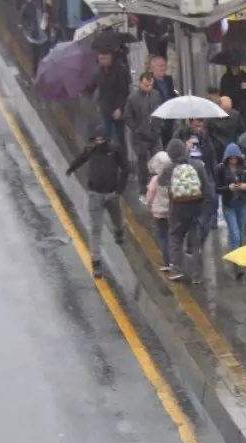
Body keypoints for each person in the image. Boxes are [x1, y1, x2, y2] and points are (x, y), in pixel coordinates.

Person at [65, 125, 127, 279]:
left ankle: (119, 231)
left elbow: (125, 168)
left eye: (101, 139)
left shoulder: (115, 151)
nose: (99, 142)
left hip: (112, 194)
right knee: (95, 230)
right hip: (95, 195)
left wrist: (119, 190)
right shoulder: (90, 150)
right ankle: (96, 261)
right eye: (97, 139)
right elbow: (81, 159)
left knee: (117, 219)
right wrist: (71, 169)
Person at [158, 139, 213, 284]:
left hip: (176, 210)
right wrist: (205, 211)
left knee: (175, 237)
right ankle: (197, 275)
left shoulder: (169, 168)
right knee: (195, 243)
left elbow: (160, 182)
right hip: (196, 209)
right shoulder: (197, 166)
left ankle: (177, 269)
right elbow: (208, 190)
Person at [123, 72, 162, 199]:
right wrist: (137, 128)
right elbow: (127, 117)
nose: (148, 87)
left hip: (155, 134)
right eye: (146, 85)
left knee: (158, 161)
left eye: (150, 85)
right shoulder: (133, 98)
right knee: (142, 163)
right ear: (140, 83)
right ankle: (142, 190)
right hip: (140, 137)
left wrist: (159, 125)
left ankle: (157, 187)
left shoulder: (156, 95)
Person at [214, 143, 246, 257]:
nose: (233, 161)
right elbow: (216, 188)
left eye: (235, 158)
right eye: (231, 158)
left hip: (243, 203)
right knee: (235, 233)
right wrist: (228, 188)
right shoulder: (220, 169)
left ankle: (238, 256)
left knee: (240, 234)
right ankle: (236, 258)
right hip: (229, 205)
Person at [92, 51, 130, 148]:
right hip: (105, 108)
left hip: (117, 108)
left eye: (104, 58)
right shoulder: (98, 71)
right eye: (100, 58)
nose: (102, 61)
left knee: (120, 136)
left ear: (110, 56)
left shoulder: (120, 69)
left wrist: (119, 108)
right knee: (106, 134)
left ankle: (122, 157)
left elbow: (123, 91)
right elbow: (96, 88)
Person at [144, 150, 173, 272]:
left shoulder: (155, 180)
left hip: (159, 213)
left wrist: (148, 205)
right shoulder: (172, 177)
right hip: (171, 212)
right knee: (172, 236)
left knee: (163, 236)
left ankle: (166, 262)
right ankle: (174, 261)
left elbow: (150, 195)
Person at [149, 56, 178, 148]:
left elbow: (171, 94)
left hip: (169, 116)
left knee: (168, 142)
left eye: (164, 65)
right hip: (157, 118)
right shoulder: (149, 81)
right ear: (153, 67)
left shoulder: (168, 79)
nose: (164, 68)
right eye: (160, 66)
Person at [208, 97, 242, 161]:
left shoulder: (236, 115)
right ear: (219, 106)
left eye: (228, 110)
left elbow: (241, 131)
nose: (226, 112)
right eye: (224, 109)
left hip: (232, 149)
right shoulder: (211, 117)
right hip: (216, 150)